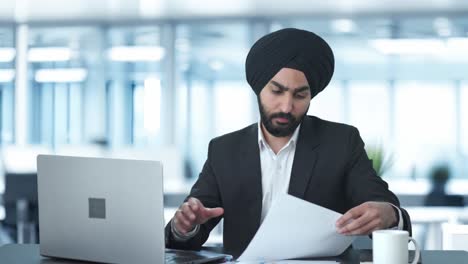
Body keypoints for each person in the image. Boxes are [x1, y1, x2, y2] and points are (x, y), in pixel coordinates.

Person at [165, 28, 412, 258]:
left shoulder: (341, 142)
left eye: (300, 95)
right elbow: (188, 230)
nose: (286, 106)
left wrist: (388, 214)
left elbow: (385, 205)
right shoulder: (224, 150)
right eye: (277, 91)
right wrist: (184, 226)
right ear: (259, 87)